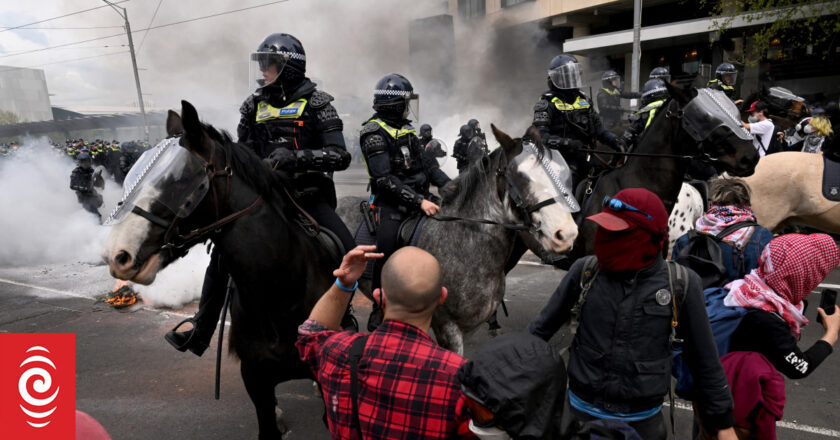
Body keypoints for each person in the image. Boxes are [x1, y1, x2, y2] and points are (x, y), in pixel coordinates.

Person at [165, 32, 356, 355]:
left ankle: (344, 315)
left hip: (308, 195)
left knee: (345, 247)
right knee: (222, 254)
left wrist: (294, 158)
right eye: (263, 63)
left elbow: (340, 155)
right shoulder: (253, 105)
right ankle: (201, 327)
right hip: (266, 198)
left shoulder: (318, 103)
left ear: (289, 67)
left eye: (269, 64)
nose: (263, 70)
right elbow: (245, 153)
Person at [528, 188, 737, 440]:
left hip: (643, 426)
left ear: (649, 236)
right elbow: (537, 333)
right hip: (578, 420)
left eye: (617, 233)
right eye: (604, 229)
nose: (604, 238)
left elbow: (705, 361)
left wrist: (723, 423)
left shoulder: (681, 284)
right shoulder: (584, 271)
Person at [296, 245, 474, 440]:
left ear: (379, 297)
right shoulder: (462, 377)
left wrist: (344, 283)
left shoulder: (337, 351)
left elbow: (311, 333)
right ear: (442, 297)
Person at [360, 73, 451, 330]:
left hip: (420, 197)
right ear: (395, 104)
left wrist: (451, 187)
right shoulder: (374, 133)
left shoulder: (408, 130)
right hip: (390, 204)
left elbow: (429, 166)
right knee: (384, 249)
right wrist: (419, 202)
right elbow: (385, 179)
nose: (409, 108)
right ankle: (380, 307)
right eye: (405, 102)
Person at [726, 233, 840, 379]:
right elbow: (800, 367)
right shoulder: (768, 320)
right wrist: (832, 333)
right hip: (739, 396)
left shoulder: (741, 289)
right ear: (804, 276)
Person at [533, 54, 625, 190]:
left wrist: (615, 141)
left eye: (573, 75)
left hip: (586, 155)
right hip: (560, 160)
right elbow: (540, 138)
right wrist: (567, 143)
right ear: (555, 79)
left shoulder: (584, 100)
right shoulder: (546, 104)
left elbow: (599, 129)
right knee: (571, 185)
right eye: (566, 77)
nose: (571, 79)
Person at [672, 178, 774, 283]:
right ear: (747, 203)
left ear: (712, 202)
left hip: (697, 299)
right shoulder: (762, 237)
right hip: (739, 299)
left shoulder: (685, 240)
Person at [622, 78, 669, 149]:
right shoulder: (670, 107)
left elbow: (629, 135)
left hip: (650, 150)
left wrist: (621, 143)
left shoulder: (645, 112)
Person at [69, 152, 105, 220]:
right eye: (84, 162)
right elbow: (72, 186)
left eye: (88, 161)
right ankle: (96, 226)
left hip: (92, 193)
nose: (86, 163)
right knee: (95, 215)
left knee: (100, 200)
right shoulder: (76, 172)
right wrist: (84, 188)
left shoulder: (91, 170)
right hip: (83, 196)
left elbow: (96, 182)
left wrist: (99, 179)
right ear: (80, 162)